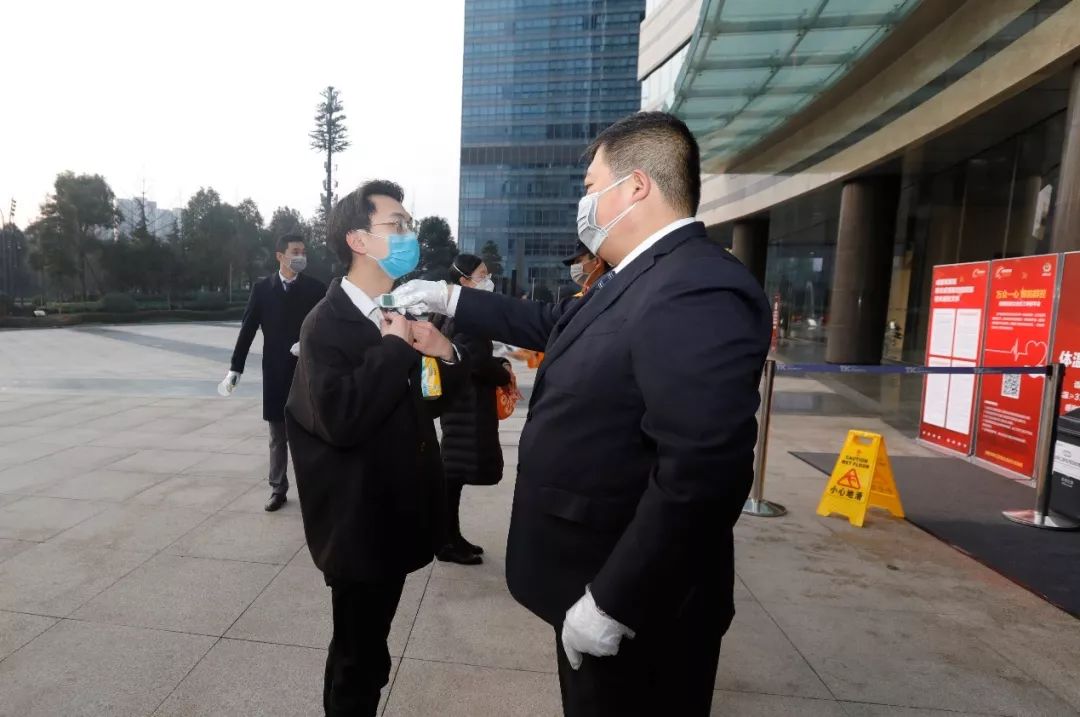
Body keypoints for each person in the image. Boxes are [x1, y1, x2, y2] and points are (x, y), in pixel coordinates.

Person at [393, 112, 771, 716]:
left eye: (591, 186)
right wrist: (452, 298)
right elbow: (555, 324)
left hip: (634, 605)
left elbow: (703, 472)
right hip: (589, 577)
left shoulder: (696, 287)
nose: (584, 203)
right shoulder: (637, 275)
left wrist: (613, 602)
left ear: (636, 186)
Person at [284, 180, 468, 717]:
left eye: (410, 224)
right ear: (358, 240)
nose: (410, 234)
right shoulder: (325, 324)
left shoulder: (399, 312)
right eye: (397, 224)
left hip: (395, 515)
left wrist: (444, 353)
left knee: (370, 652)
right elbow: (342, 419)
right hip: (358, 526)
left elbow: (430, 403)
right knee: (357, 662)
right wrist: (392, 349)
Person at [222, 233, 326, 512]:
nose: (301, 256)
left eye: (303, 251)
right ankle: (278, 488)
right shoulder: (262, 289)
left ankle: (315, 490)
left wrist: (309, 344)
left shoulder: (316, 289)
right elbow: (247, 330)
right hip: (276, 372)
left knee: (310, 434)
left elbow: (327, 325)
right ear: (280, 256)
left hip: (308, 371)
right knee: (277, 435)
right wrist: (235, 367)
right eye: (295, 251)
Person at [433, 254, 514, 566]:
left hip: (461, 402)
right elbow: (474, 361)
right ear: (464, 280)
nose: (488, 280)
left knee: (453, 475)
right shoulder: (467, 316)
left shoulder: (455, 310)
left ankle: (451, 536)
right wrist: (502, 373)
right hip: (466, 403)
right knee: (452, 473)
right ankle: (445, 542)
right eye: (482, 275)